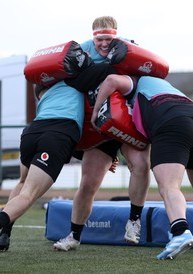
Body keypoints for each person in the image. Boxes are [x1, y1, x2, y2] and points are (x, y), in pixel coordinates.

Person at [91, 74, 193, 260]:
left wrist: (96, 111)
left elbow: (111, 81)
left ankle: (180, 231)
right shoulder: (161, 84)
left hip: (170, 120)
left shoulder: (134, 82)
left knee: (169, 186)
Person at [0, 62, 119, 259]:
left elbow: (65, 151)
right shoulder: (76, 81)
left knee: (22, 182)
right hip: (57, 134)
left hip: (32, 132)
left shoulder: (49, 90)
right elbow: (107, 68)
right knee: (29, 195)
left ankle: (5, 235)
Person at [53, 15, 151, 252]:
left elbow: (147, 73)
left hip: (126, 120)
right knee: (88, 183)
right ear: (92, 37)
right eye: (100, 40)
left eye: (109, 39)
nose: (104, 44)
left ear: (116, 36)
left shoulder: (129, 47)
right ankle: (74, 235)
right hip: (99, 126)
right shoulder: (82, 50)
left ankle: (134, 222)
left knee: (141, 164)